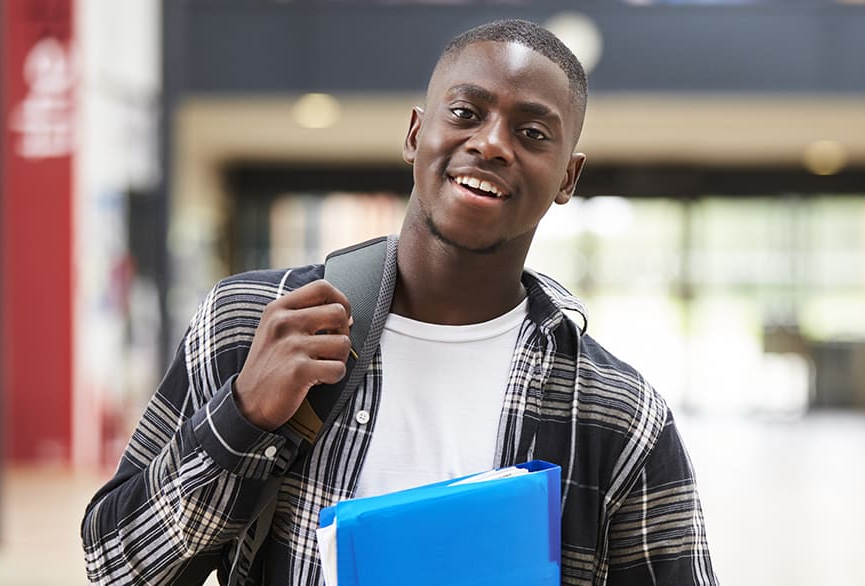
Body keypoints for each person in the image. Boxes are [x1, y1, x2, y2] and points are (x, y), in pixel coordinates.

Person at [82, 19, 716, 585]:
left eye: (531, 132)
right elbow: (116, 566)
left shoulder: (618, 415)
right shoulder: (249, 323)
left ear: (567, 179)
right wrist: (243, 416)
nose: (492, 144)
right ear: (416, 133)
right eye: (466, 113)